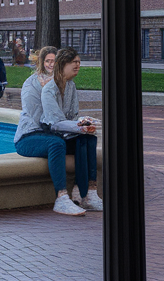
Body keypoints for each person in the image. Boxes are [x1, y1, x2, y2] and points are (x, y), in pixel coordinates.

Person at [13, 46, 87, 216]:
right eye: (48, 60)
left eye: (55, 60)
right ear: (42, 62)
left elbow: (70, 116)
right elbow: (39, 117)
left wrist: (79, 126)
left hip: (56, 133)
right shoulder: (31, 84)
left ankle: (84, 193)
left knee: (85, 139)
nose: (52, 64)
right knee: (57, 144)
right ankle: (61, 197)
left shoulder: (67, 84)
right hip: (30, 136)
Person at [41, 47, 102, 213]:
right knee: (83, 136)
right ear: (62, 65)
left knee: (89, 138)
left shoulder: (71, 87)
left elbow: (73, 116)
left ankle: (89, 193)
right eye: (74, 62)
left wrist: (82, 123)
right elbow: (54, 123)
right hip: (52, 135)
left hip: (66, 134)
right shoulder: (49, 90)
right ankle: (79, 193)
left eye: (79, 62)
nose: (78, 66)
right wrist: (78, 127)